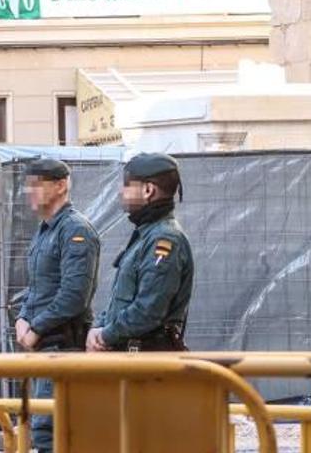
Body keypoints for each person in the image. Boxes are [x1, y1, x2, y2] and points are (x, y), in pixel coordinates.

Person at [15, 158, 100, 453]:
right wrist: (23, 317)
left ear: (61, 185)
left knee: (51, 431)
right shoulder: (46, 230)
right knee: (43, 429)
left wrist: (36, 327)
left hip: (63, 345)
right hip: (45, 346)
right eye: (28, 185)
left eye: (37, 185)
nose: (29, 192)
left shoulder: (75, 230)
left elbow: (74, 295)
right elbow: (38, 286)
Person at [87, 152, 194, 353]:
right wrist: (100, 327)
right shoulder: (146, 236)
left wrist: (104, 334)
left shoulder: (164, 240)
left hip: (147, 364)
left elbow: (148, 311)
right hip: (132, 359)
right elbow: (121, 301)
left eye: (127, 185)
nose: (121, 192)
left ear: (147, 190)